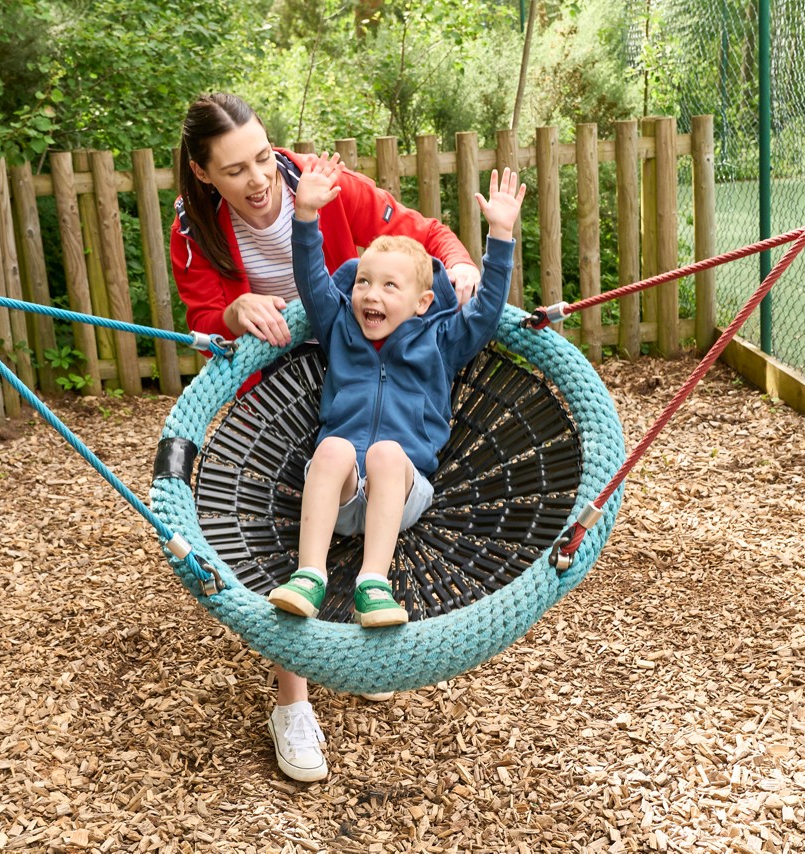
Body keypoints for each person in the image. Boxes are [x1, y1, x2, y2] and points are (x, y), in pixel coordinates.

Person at [170, 92, 483, 783]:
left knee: (375, 485)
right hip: (279, 388)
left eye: (261, 157)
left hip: (365, 359)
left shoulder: (326, 186)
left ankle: (356, 652)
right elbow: (203, 316)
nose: (256, 181)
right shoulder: (196, 231)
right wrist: (232, 307)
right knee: (289, 526)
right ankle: (294, 702)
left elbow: (423, 235)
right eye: (232, 171)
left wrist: (459, 262)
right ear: (202, 173)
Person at [265, 155, 525, 777]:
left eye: (388, 286)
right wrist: (306, 216)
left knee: (384, 452)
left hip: (403, 487)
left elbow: (485, 309)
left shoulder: (440, 338)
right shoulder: (340, 328)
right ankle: (310, 576)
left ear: (422, 300)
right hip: (344, 488)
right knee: (331, 448)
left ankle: (371, 583)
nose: (370, 295)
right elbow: (311, 278)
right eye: (363, 282)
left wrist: (501, 237)